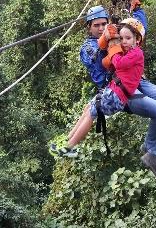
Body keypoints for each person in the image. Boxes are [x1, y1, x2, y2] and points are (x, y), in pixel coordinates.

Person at [59, 0, 156, 185]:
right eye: (97, 25)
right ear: (89, 27)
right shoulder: (88, 47)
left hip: (137, 80)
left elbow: (136, 30)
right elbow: (100, 60)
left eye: (104, 23)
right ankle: (152, 150)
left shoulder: (120, 37)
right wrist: (108, 41)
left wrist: (136, 7)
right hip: (118, 88)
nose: (101, 27)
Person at [51, 22, 144, 160]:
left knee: (92, 112)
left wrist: (114, 47)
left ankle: (70, 147)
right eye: (122, 38)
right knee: (88, 107)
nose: (124, 41)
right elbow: (107, 62)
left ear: (137, 40)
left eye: (128, 38)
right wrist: (109, 42)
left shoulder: (137, 53)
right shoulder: (127, 51)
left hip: (118, 96)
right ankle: (67, 139)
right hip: (112, 91)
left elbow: (119, 63)